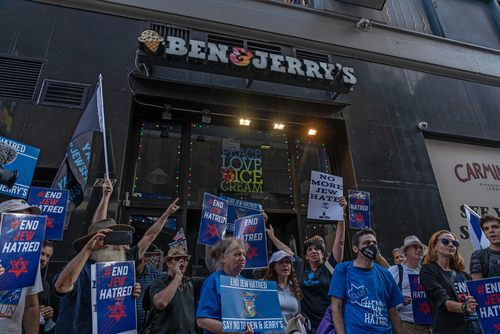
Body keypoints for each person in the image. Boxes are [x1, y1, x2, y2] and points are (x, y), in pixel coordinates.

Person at [266, 197, 348, 333]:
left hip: (328, 322)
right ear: (305, 256)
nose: (313, 252)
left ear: (323, 254)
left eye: (317, 249)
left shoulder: (329, 267)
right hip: (304, 323)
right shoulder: (300, 266)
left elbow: (340, 242)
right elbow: (287, 252)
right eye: (310, 250)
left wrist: (341, 214)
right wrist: (272, 237)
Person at [53, 218, 142, 334]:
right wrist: (88, 249)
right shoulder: (81, 268)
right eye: (112, 239)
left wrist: (129, 294)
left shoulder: (119, 273)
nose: (119, 246)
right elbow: (61, 287)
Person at [329, 228, 405, 334]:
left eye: (374, 243)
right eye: (367, 243)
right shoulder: (343, 269)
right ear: (355, 249)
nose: (372, 246)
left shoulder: (385, 273)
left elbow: (393, 312)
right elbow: (336, 307)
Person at [92, 175, 180, 261]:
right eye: (121, 237)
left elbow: (150, 236)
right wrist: (106, 197)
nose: (127, 241)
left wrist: (167, 214)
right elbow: (99, 226)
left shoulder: (128, 257)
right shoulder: (98, 255)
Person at [420, 230, 480, 334]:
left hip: (476, 326)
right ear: (435, 247)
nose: (451, 245)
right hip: (451, 328)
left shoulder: (464, 275)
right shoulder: (428, 270)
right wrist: (465, 308)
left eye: (455, 243)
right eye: (445, 241)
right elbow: (442, 299)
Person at [197, 237, 260, 334]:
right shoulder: (213, 281)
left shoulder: (245, 283)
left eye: (244, 254)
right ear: (223, 257)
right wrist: (232, 332)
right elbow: (202, 321)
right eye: (237, 254)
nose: (243, 258)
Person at [0, 199, 43, 334]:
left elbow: (31, 305)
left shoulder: (29, 255)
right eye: (19, 217)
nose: (24, 223)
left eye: (28, 218)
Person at [148, 246, 205, 334]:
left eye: (185, 259)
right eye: (177, 259)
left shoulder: (191, 283)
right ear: (168, 264)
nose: (182, 261)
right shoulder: (159, 283)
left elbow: (214, 280)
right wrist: (177, 277)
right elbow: (161, 303)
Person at [388, 236, 430, 334]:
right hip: (407, 324)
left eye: (421, 248)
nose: (419, 250)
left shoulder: (428, 271)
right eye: (415, 247)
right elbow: (384, 298)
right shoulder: (394, 271)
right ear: (406, 251)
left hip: (431, 324)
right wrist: (400, 302)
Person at [263, 250, 305, 334]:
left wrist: (300, 317)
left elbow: (298, 312)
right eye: (281, 262)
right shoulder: (266, 288)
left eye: (288, 262)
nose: (285, 265)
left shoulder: (295, 288)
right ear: (274, 266)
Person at [136, 256, 164, 334]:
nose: (134, 264)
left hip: (150, 328)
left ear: (145, 261)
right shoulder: (125, 275)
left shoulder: (157, 275)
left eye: (138, 261)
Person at [470, 214, 500, 279]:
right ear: (485, 235)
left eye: (495, 227)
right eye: (486, 229)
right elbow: (477, 286)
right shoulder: (479, 255)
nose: (491, 231)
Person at [39, 239, 56, 333]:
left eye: (48, 256)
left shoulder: (45, 285)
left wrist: (48, 315)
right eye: (42, 253)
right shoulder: (13, 279)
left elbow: (46, 308)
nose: (44, 259)